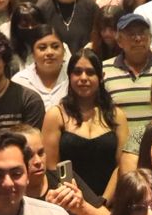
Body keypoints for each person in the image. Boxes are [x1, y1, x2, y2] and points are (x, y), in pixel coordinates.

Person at [43, 48, 126, 201]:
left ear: (101, 77)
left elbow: (123, 165)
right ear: (69, 76)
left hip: (110, 202)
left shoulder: (116, 115)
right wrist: (78, 202)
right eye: (77, 72)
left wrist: (103, 202)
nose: (83, 78)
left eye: (90, 72)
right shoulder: (55, 115)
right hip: (69, 200)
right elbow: (52, 168)